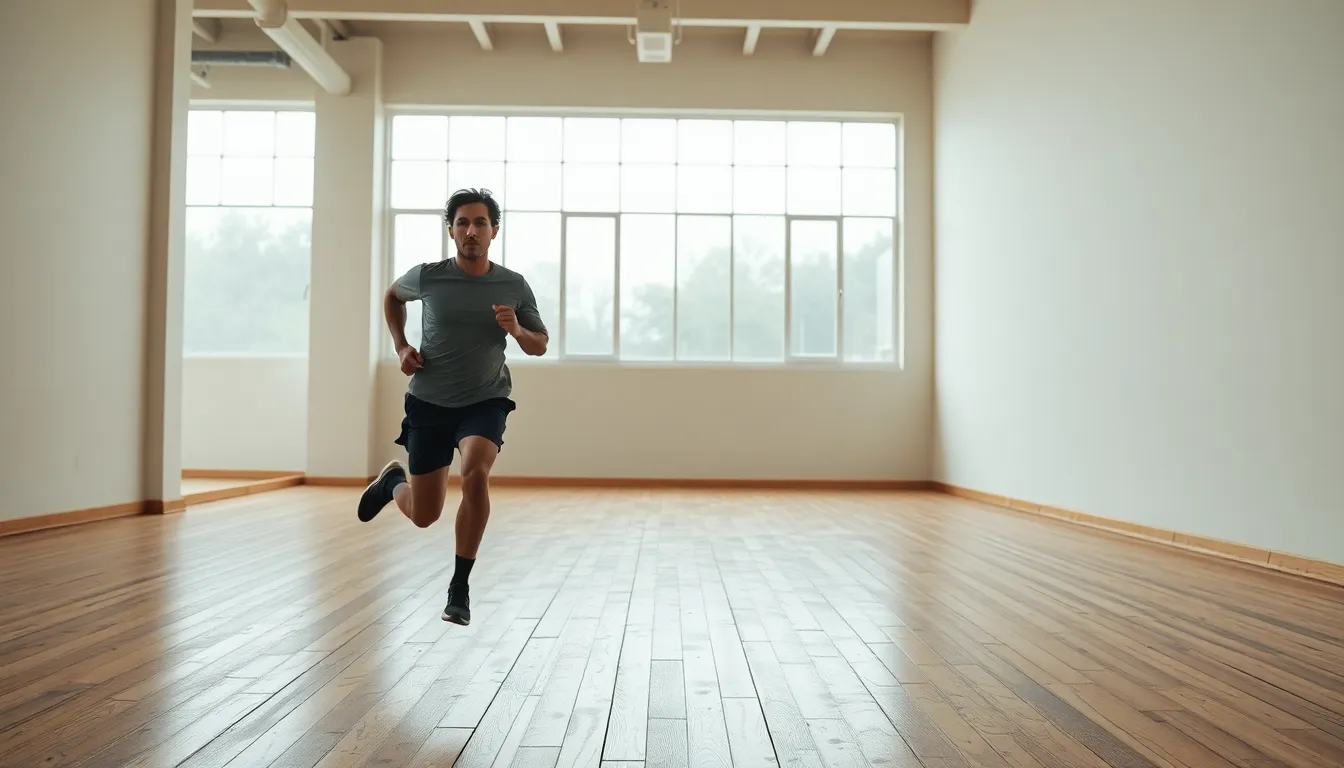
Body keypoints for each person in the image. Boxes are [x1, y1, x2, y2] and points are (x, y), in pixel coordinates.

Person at [357, 187, 549, 625]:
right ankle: (392, 483)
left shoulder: (513, 284)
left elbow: (539, 344)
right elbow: (391, 296)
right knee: (425, 516)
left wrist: (517, 329)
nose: (471, 231)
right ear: (451, 231)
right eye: (462, 223)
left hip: (485, 399)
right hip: (428, 402)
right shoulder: (427, 277)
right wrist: (401, 345)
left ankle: (459, 587)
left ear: (494, 231)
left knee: (476, 472)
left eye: (480, 223)